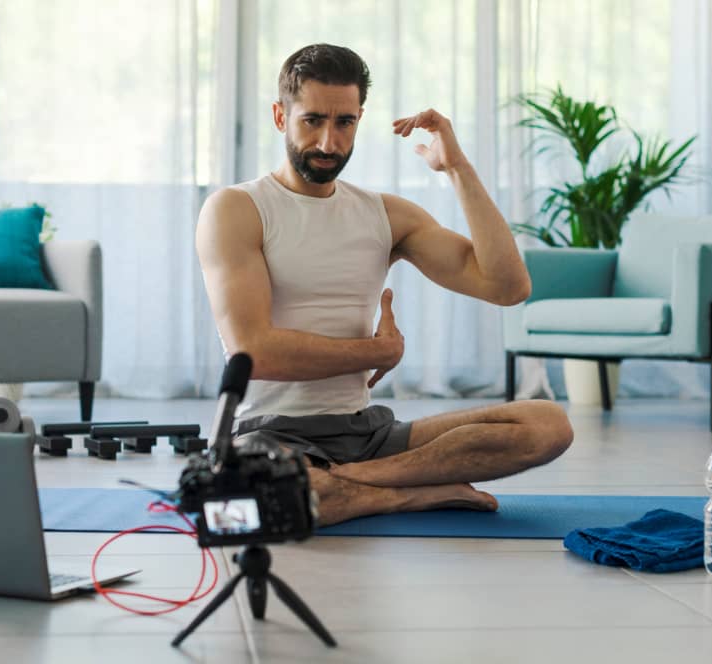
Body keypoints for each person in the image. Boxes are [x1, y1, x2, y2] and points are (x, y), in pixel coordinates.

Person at [196, 43, 573, 526]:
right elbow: (255, 352)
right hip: (267, 434)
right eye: (312, 120)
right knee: (239, 503)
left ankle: (344, 485)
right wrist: (375, 353)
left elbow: (507, 286)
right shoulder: (236, 209)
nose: (329, 143)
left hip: (365, 434)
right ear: (279, 116)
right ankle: (405, 492)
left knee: (547, 425)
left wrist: (457, 169)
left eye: (344, 122)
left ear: (359, 119)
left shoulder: (384, 214)